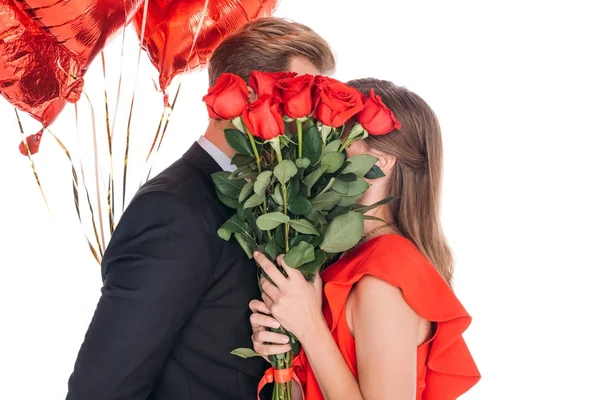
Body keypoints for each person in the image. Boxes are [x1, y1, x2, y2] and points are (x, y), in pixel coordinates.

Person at [66, 17, 335, 400]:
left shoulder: (277, 198)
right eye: (299, 96)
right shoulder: (172, 211)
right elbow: (102, 390)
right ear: (245, 96)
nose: (308, 117)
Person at [250, 79, 481, 400]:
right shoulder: (347, 258)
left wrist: (309, 326)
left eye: (336, 135)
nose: (318, 147)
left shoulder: (385, 275)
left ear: (381, 161)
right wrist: (283, 360)